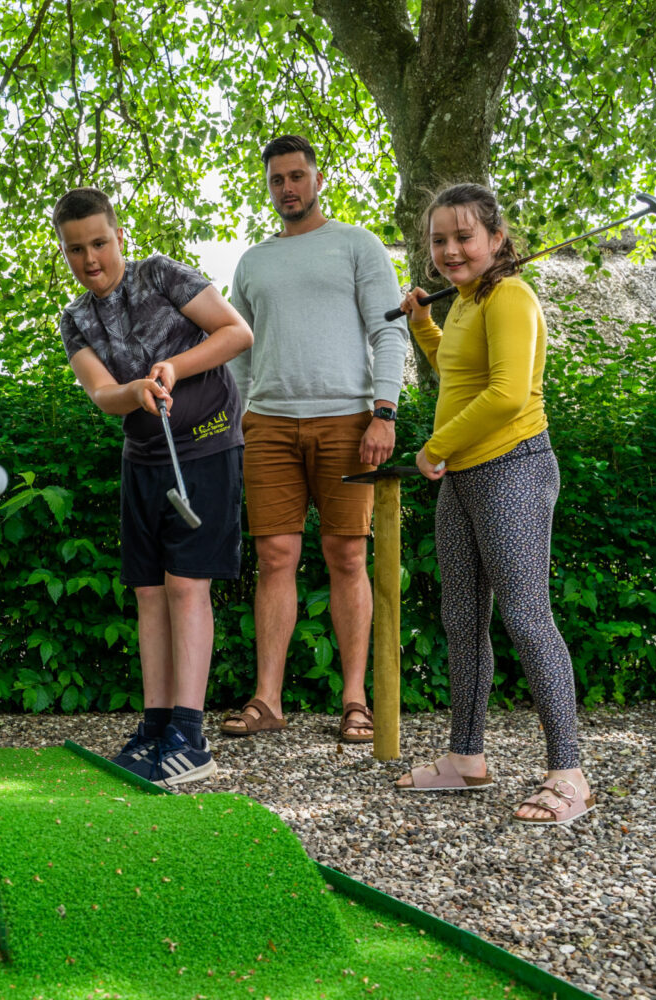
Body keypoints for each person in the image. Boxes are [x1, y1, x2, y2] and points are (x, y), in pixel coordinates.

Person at [394, 183, 594, 825]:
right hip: (464, 479)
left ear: (496, 238)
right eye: (439, 240)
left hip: (514, 469)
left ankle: (569, 774)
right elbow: (458, 375)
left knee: (527, 618)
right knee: (461, 618)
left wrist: (435, 446)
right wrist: (423, 326)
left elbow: (507, 394)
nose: (450, 250)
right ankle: (466, 758)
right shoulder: (467, 303)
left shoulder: (510, 296)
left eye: (464, 237)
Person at [53, 187, 253, 785]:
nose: (90, 259)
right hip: (143, 459)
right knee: (148, 592)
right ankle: (156, 725)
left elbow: (235, 333)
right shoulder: (75, 319)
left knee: (187, 586)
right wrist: (134, 390)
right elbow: (100, 392)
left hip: (208, 446)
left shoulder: (161, 274)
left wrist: (173, 367)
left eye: (99, 243)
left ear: (120, 237)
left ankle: (190, 737)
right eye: (75, 249)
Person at [222, 134, 407, 743]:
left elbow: (388, 333)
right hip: (269, 425)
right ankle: (267, 700)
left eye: (297, 176)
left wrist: (384, 412)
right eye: (277, 180)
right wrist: (236, 419)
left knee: (347, 556)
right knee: (274, 558)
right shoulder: (253, 262)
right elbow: (239, 351)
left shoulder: (357, 245)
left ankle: (355, 701)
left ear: (317, 179)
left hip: (348, 421)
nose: (287, 188)